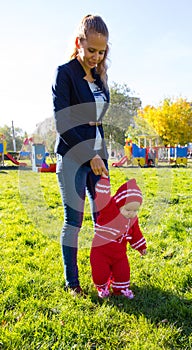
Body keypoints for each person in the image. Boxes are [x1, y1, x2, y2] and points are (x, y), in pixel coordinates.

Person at [52, 15, 110, 295]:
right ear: (79, 43)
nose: (96, 57)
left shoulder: (100, 77)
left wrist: (99, 154)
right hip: (74, 158)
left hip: (100, 157)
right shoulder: (64, 73)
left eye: (101, 52)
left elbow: (96, 120)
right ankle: (72, 283)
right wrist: (90, 154)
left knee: (104, 220)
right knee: (74, 221)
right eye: (91, 50)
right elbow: (63, 124)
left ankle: (104, 278)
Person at [90, 176, 147, 299]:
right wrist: (104, 182)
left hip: (119, 255)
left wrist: (141, 247)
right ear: (119, 204)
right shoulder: (109, 210)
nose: (131, 213)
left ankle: (121, 289)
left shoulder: (132, 219)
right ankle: (102, 287)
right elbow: (102, 199)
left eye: (135, 210)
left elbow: (136, 233)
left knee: (123, 272)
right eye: (128, 209)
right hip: (101, 252)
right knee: (100, 273)